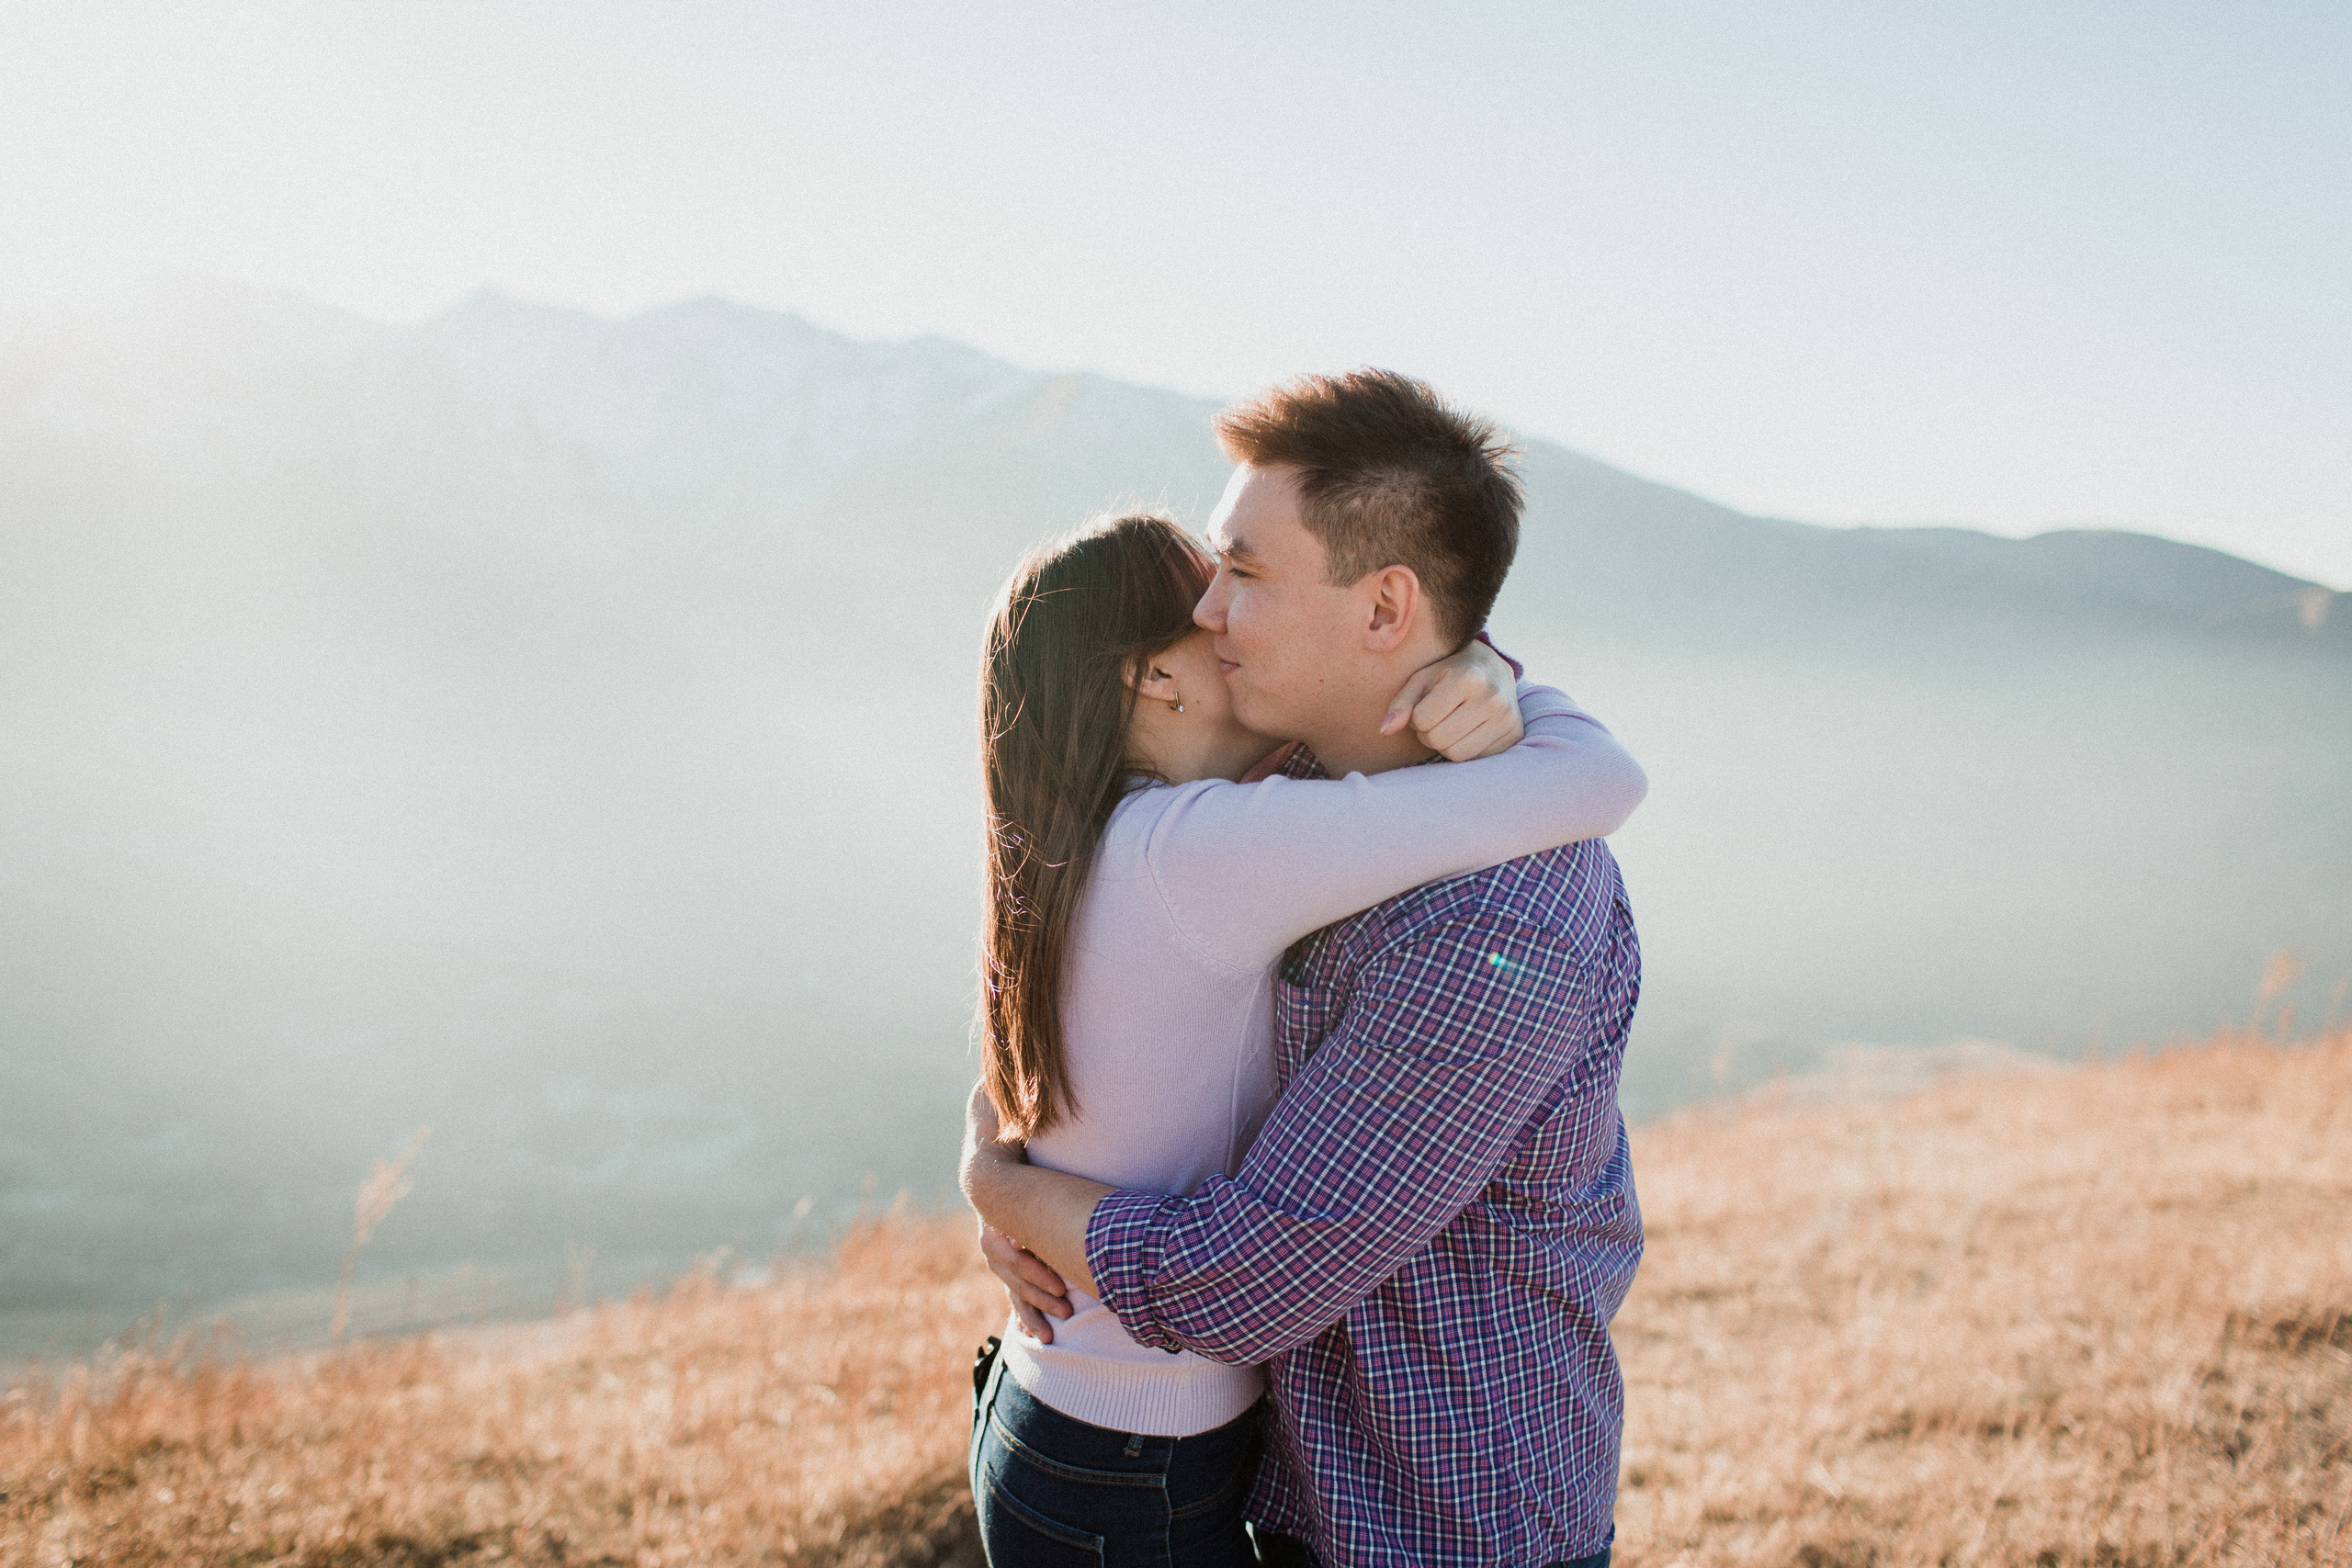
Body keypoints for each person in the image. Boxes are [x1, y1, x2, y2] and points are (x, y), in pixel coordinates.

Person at [963, 370, 1646, 1568]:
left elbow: (1244, 1286)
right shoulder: (1283, 783)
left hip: (1438, 1524)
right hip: (1285, 1482)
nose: (1211, 609)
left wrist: (1016, 1195)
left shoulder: (1498, 911)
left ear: (1385, 609)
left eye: (1244, 572)